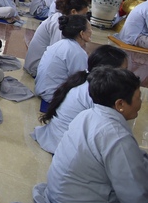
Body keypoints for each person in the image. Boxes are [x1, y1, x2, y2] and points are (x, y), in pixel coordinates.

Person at [33, 67, 148, 203]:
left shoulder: (87, 114)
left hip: (58, 193)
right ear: (120, 104)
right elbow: (135, 195)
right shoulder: (117, 136)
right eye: (138, 98)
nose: (141, 102)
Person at [32, 45, 127, 154]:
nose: (127, 75)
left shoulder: (87, 82)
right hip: (63, 145)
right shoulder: (95, 92)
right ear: (108, 72)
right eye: (124, 71)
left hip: (57, 137)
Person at [24, 0, 89, 77]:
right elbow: (58, 53)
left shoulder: (65, 20)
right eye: (84, 15)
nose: (85, 19)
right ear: (73, 12)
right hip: (36, 66)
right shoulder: (58, 23)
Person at [35, 14, 91, 103]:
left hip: (42, 89)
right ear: (82, 33)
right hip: (53, 95)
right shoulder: (77, 52)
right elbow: (81, 82)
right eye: (89, 29)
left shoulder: (60, 44)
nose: (91, 32)